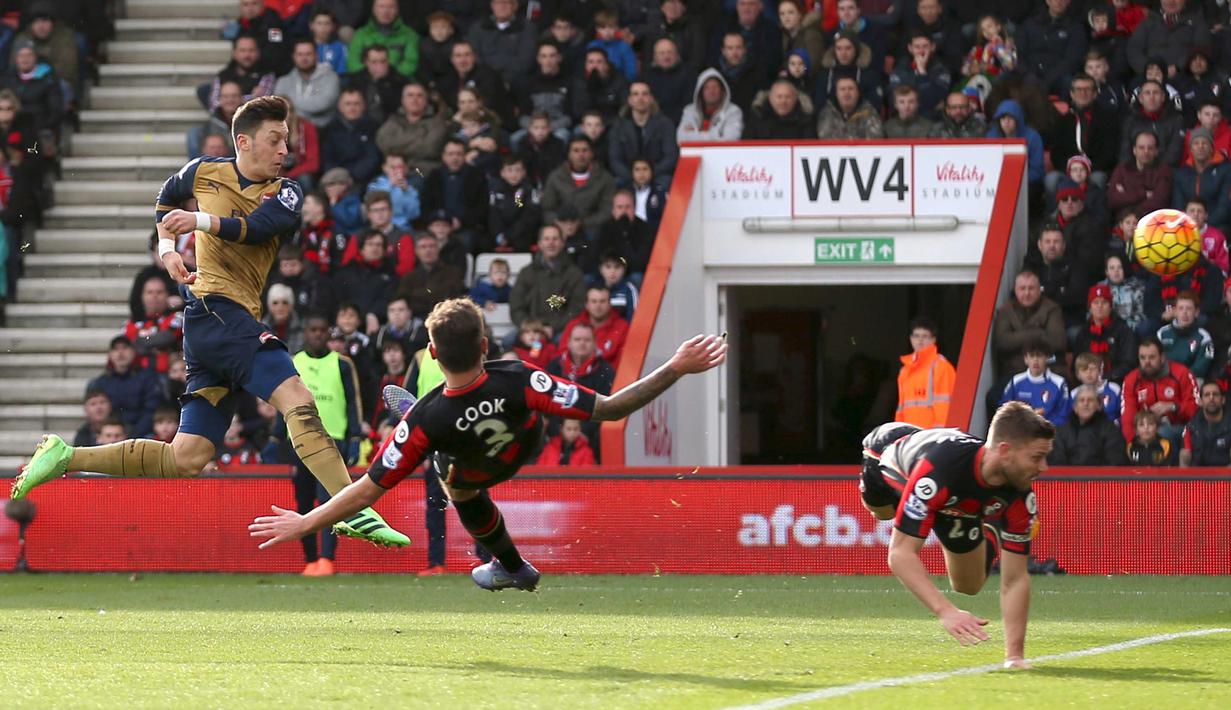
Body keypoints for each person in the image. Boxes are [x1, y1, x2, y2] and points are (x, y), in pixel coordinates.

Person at [13, 96, 408, 548]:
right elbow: (165, 200)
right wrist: (166, 252)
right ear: (244, 141)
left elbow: (258, 227)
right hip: (219, 313)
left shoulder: (287, 191)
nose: (284, 150)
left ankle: (66, 456)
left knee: (189, 456)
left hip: (214, 324)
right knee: (298, 397)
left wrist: (198, 219)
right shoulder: (203, 171)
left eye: (287, 140)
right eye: (275, 140)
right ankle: (352, 507)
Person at [249, 298, 727, 592]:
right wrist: (677, 366)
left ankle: (512, 566)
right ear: (484, 344)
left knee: (448, 473)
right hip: (523, 446)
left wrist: (306, 522)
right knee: (451, 452)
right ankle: (511, 566)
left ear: (431, 353)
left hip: (469, 469)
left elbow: (368, 491)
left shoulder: (423, 419)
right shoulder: (520, 375)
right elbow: (614, 407)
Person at [858, 402, 1052, 668]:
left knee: (968, 585)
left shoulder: (1021, 494)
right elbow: (900, 554)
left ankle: (988, 534)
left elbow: (1016, 578)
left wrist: (1014, 656)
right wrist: (946, 611)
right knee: (883, 513)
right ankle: (959, 514)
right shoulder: (940, 471)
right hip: (885, 454)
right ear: (1005, 451)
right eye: (1036, 457)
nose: (1044, 467)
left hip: (952, 498)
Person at [288, 314, 365, 576]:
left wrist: (355, 438)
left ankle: (327, 559)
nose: (318, 334)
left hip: (334, 441)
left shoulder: (342, 364)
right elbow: (282, 403)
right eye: (313, 329)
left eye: (322, 330)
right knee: (304, 502)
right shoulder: (294, 363)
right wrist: (277, 438)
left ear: (328, 334)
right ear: (306, 333)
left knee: (330, 501)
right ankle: (310, 559)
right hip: (299, 440)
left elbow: (353, 403)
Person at [510, 225, 588, 337]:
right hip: (530, 330)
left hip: (561, 331)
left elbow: (577, 308)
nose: (551, 243)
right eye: (546, 239)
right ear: (540, 244)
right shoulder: (526, 273)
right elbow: (516, 305)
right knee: (508, 341)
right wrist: (530, 326)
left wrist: (553, 328)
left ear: (562, 243)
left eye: (555, 239)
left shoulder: (574, 274)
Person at [1120, 336, 1200, 444]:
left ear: (1162, 357)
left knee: (1162, 433)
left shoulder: (1182, 373)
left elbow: (1196, 409)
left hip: (1181, 428)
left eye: (1152, 357)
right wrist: (1132, 442)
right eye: (1142, 358)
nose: (1147, 362)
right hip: (1146, 430)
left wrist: (1173, 407)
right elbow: (1128, 417)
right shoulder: (1131, 380)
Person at [992, 270, 1067, 379]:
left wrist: (1018, 337)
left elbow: (1058, 342)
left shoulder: (1052, 308)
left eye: (1031, 288)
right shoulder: (1006, 310)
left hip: (1049, 370)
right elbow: (1002, 342)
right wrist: (1037, 333)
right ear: (1015, 290)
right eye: (1022, 288)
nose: (1027, 293)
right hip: (1014, 372)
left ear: (1039, 290)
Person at [86, 336, 164, 439]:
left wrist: (132, 435)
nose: (120, 353)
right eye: (116, 349)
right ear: (110, 354)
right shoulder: (100, 382)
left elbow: (151, 411)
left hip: (141, 434)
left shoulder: (148, 378)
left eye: (125, 348)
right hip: (110, 434)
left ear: (133, 352)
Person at [895, 317, 955, 429]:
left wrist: (939, 435)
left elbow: (945, 407)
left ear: (933, 340)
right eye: (916, 336)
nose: (920, 340)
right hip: (910, 436)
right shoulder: (905, 371)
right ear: (911, 339)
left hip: (931, 436)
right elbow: (901, 408)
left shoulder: (941, 367)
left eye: (925, 336)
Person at [1047, 384, 1127, 466]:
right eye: (1081, 400)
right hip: (1068, 478)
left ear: (1099, 406)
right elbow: (1056, 462)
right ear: (1075, 407)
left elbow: (1115, 462)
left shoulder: (1112, 431)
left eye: (1090, 400)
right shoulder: (1061, 433)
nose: (1086, 404)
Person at [1072, 284, 1136, 383]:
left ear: (1110, 306)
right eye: (1095, 302)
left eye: (1104, 302)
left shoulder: (1123, 330)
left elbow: (1128, 363)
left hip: (1116, 382)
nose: (1099, 306)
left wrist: (1106, 377)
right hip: (1088, 384)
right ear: (1090, 307)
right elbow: (1077, 363)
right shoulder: (1083, 333)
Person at [999, 341, 1070, 427]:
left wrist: (1045, 426)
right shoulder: (1016, 381)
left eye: (1039, 356)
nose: (1035, 360)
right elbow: (1004, 408)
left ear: (1047, 359)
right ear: (1026, 359)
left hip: (1048, 432)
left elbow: (1063, 414)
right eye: (1032, 356)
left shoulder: (1059, 383)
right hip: (1021, 430)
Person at [274, 38, 340, 129]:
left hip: (324, 131)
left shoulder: (331, 77)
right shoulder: (283, 81)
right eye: (300, 54)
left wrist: (292, 107)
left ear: (316, 56)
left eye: (308, 54)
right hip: (291, 132)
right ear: (294, 57)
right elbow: (279, 108)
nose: (304, 58)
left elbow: (321, 105)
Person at [560, 285, 629, 368]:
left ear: (610, 304)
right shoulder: (573, 325)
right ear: (587, 305)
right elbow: (562, 354)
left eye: (602, 301)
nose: (598, 306)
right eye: (594, 301)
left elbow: (621, 362)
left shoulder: (622, 327)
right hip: (572, 376)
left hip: (606, 377)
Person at [347, 0, 419, 78]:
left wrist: (389, 77)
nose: (386, 11)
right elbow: (353, 63)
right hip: (367, 83)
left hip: (399, 82)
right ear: (373, 10)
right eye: (381, 6)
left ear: (397, 10)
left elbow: (411, 63)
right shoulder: (361, 34)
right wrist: (371, 76)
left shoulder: (409, 35)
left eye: (391, 7)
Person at [1156, 291, 1215, 380]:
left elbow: (1201, 368)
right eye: (1181, 308)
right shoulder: (1162, 333)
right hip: (1164, 380)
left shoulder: (1204, 337)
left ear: (1196, 312)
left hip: (1191, 380)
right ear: (1175, 311)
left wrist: (1181, 379)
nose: (1185, 312)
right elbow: (1155, 361)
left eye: (1189, 308)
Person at [676, 69, 743, 143]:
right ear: (700, 91)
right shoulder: (689, 111)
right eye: (707, 88)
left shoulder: (733, 111)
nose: (711, 91)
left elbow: (731, 139)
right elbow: (681, 138)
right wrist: (718, 134)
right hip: (695, 154)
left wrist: (694, 135)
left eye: (715, 87)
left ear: (722, 91)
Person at [1179, 381, 1231, 466]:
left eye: (1215, 394)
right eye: (1207, 395)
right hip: (1198, 476)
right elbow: (1184, 458)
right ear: (1200, 401)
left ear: (1223, 400)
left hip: (1225, 476)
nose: (1211, 398)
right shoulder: (1191, 427)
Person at [1074, 351, 1123, 425]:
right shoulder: (1074, 393)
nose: (1089, 372)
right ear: (1078, 374)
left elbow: (1123, 414)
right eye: (1084, 369)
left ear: (1100, 371)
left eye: (1092, 369)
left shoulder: (1114, 389)